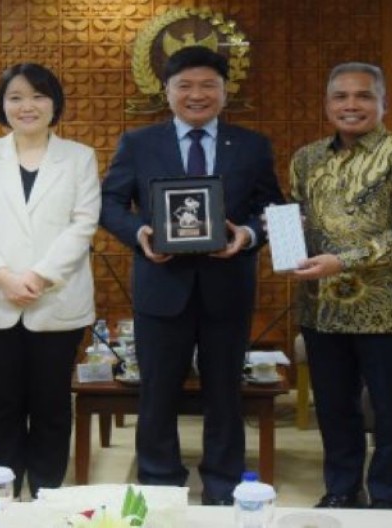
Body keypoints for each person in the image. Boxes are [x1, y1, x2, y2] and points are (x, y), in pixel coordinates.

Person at [99, 46, 283, 505]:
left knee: (225, 395)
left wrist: (245, 235)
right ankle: (160, 487)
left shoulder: (252, 145)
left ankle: (223, 490)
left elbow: (273, 209)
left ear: (225, 92)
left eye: (208, 86)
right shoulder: (138, 143)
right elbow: (109, 203)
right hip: (161, 290)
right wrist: (139, 232)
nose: (196, 95)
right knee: (157, 394)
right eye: (185, 85)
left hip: (228, 289)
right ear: (167, 91)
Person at [288, 62, 392, 509]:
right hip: (321, 310)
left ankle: (387, 502)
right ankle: (341, 489)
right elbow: (298, 218)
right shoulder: (307, 157)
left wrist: (344, 262)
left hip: (388, 311)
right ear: (327, 103)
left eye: (363, 96)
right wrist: (281, 232)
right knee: (335, 411)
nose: (350, 105)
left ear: (383, 103)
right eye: (340, 96)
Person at [0, 63, 101, 499]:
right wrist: (3, 275)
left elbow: (83, 225)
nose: (27, 106)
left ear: (54, 103)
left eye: (38, 96)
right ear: (2, 105)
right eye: (16, 97)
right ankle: (1, 496)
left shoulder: (79, 156)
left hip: (57, 300)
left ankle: (46, 496)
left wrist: (38, 276)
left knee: (52, 405)